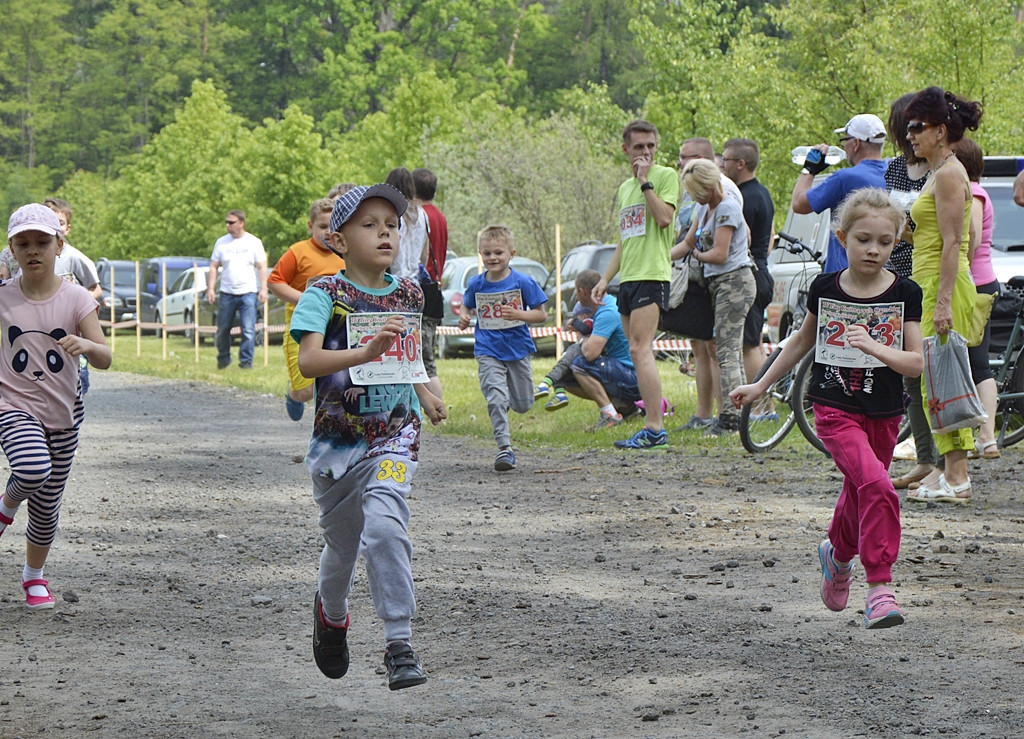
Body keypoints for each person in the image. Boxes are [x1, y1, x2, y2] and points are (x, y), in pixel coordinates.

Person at [730, 188, 923, 629]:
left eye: (885, 241)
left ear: (897, 243)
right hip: (834, 407)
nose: (873, 249)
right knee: (878, 485)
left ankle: (836, 555)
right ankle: (880, 588)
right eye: (863, 239)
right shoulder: (826, 288)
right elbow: (800, 341)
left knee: (860, 489)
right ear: (842, 238)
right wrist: (761, 383)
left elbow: (915, 362)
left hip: (886, 409)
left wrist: (876, 346)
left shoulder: (906, 293)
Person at [289, 184, 445, 690]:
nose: (385, 232)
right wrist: (363, 354)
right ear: (338, 239)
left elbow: (409, 355)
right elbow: (309, 361)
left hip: (396, 435)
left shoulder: (409, 293)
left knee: (385, 524)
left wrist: (425, 391)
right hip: (339, 445)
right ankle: (331, 613)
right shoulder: (325, 295)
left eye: (392, 225)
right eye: (369, 224)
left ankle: (399, 643)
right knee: (344, 545)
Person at [0, 203, 112, 611]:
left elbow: (105, 357)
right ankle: (6, 505)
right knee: (31, 468)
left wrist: (86, 345)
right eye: (23, 243)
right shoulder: (4, 297)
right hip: (13, 405)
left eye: (42, 242)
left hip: (65, 414)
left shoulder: (77, 299)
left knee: (47, 508)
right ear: (11, 248)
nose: (33, 251)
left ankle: (33, 577)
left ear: (59, 245)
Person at [903, 87, 984, 504]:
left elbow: (956, 241)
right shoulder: (938, 173)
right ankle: (944, 470)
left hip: (943, 285)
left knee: (946, 381)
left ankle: (958, 476)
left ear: (939, 130)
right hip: (927, 281)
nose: (910, 134)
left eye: (917, 127)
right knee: (930, 383)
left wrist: (942, 302)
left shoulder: (950, 174)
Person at [594, 120, 679, 450]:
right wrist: (605, 277)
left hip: (652, 273)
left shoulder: (665, 177)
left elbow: (664, 218)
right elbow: (624, 239)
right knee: (634, 350)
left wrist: (646, 183)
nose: (646, 152)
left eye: (651, 146)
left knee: (641, 349)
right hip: (628, 277)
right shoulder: (625, 189)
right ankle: (648, 419)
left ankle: (656, 427)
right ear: (625, 149)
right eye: (639, 147)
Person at [671, 159, 755, 436]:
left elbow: (719, 254)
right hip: (719, 284)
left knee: (727, 352)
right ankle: (737, 414)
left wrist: (697, 257)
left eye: (697, 192)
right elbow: (688, 242)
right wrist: (662, 257)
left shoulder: (728, 207)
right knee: (726, 351)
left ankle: (731, 417)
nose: (694, 198)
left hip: (734, 283)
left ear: (709, 186)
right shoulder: (704, 207)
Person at [881, 94, 939, 490]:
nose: (911, 133)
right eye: (908, 125)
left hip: (927, 277)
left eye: (917, 125)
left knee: (931, 374)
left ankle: (941, 462)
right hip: (895, 276)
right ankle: (923, 457)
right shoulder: (895, 170)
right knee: (905, 378)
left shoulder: (942, 170)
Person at [458, 224, 548, 471]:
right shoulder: (477, 284)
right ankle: (504, 449)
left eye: (498, 252)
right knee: (496, 398)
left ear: (512, 254)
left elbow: (542, 315)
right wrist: (464, 318)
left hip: (517, 348)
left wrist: (519, 313)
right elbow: (466, 306)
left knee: (523, 405)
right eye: (487, 253)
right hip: (488, 348)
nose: (492, 258)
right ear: (480, 254)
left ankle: (510, 399)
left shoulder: (523, 282)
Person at [267, 198, 344, 421]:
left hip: (337, 328)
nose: (328, 232)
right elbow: (274, 281)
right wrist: (307, 298)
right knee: (305, 391)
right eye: (322, 227)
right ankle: (293, 394)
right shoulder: (298, 252)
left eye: (333, 226)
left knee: (336, 383)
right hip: (303, 328)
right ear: (310, 226)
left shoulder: (345, 253)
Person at [791, 113, 888, 273]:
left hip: (843, 276)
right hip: (882, 278)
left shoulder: (844, 178)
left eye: (845, 140)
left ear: (856, 143)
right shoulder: (896, 175)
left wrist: (809, 169)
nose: (844, 147)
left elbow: (799, 204)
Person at [547, 269, 641, 429]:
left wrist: (581, 336)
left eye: (577, 293)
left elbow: (590, 354)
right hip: (624, 372)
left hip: (632, 377)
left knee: (580, 364)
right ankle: (625, 407)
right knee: (565, 376)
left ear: (581, 292)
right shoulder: (605, 306)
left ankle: (610, 414)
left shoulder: (607, 312)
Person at [956, 138, 1000, 461]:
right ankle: (978, 435)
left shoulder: (975, 193)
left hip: (977, 284)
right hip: (976, 282)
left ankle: (987, 436)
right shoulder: (973, 191)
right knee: (971, 363)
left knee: (978, 363)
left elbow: (970, 236)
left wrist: (962, 271)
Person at [721, 138, 775, 391]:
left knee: (749, 345)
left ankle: (763, 406)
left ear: (741, 164)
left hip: (751, 273)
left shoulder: (745, 197)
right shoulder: (762, 192)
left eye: (726, 159)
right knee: (751, 343)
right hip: (762, 270)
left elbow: (747, 237)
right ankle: (762, 405)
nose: (722, 164)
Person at [45, 198, 102, 395]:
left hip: (71, 329)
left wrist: (76, 301)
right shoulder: (33, 256)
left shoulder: (75, 257)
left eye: (59, 223)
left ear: (67, 229)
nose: (54, 227)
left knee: (75, 375)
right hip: (41, 329)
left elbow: (96, 289)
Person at [206, 210, 268, 370]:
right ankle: (223, 358)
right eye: (226, 222)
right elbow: (214, 266)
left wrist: (263, 289)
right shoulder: (221, 243)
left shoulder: (253, 242)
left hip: (248, 292)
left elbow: (261, 266)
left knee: (248, 329)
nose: (228, 225)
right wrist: (211, 289)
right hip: (227, 292)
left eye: (231, 222)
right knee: (223, 328)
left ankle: (246, 362)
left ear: (241, 223)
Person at [412, 167, 448, 401]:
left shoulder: (417, 216)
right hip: (435, 288)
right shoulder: (440, 217)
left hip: (422, 289)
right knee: (428, 352)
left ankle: (437, 405)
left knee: (424, 358)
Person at [385, 167, 428, 282]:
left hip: (393, 279)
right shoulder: (422, 214)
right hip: (414, 280)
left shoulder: (392, 213)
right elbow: (425, 253)